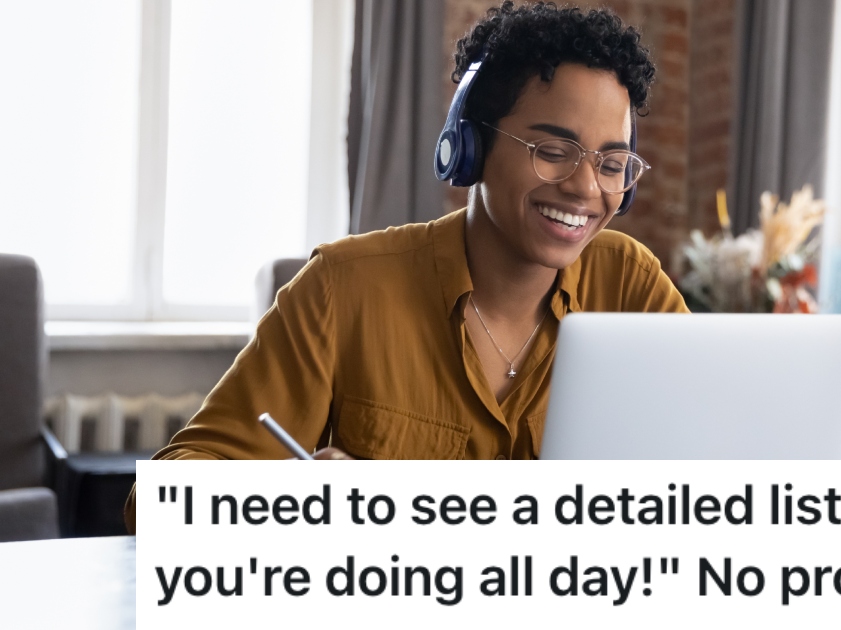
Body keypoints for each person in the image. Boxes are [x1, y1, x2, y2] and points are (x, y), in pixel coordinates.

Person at [123, 1, 688, 533]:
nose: (587, 188)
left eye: (612, 163)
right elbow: (161, 501)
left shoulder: (630, 286)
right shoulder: (343, 288)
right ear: (468, 145)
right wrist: (292, 507)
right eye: (553, 151)